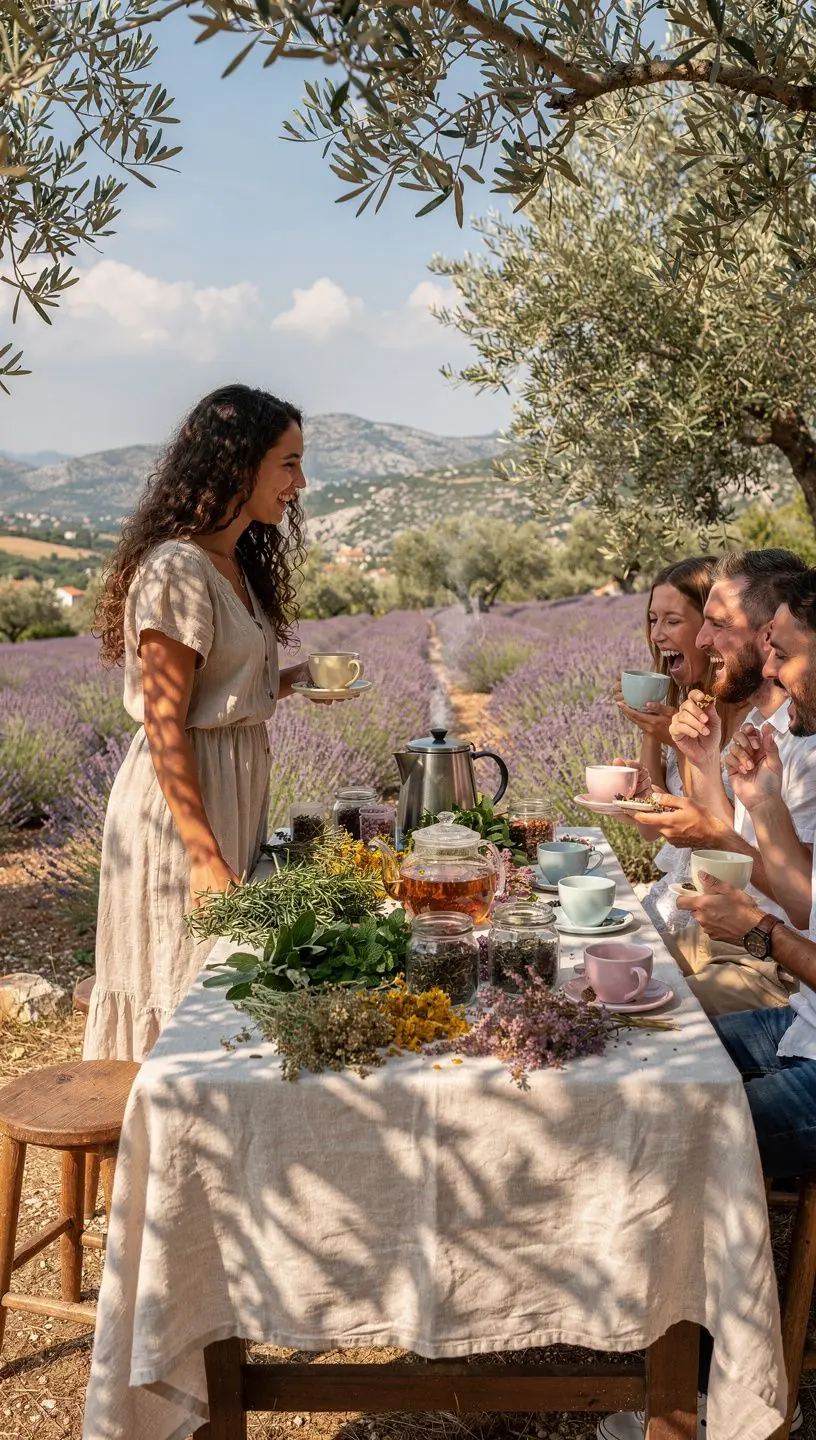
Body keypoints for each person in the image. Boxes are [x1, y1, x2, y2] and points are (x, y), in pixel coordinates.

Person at [84, 384, 316, 1062]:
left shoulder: (232, 563)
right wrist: (203, 854)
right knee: (183, 982)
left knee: (216, 981)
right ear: (239, 464)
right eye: (289, 463)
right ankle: (158, 1145)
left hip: (227, 791)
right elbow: (165, 724)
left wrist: (294, 682)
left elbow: (212, 689)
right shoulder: (178, 570)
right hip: (178, 810)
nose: (300, 483)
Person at [631, 549, 816, 1014]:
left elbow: (802, 905)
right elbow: (725, 839)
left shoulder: (805, 746)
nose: (703, 638)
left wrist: (712, 833)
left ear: (766, 633)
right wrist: (701, 756)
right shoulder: (763, 725)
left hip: (769, 963)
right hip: (737, 941)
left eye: (717, 624)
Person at [613, 556, 747, 956]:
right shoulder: (681, 703)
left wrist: (676, 742)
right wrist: (650, 730)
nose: (657, 635)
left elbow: (707, 827)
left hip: (718, 913)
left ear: (711, 626)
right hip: (674, 897)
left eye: (672, 621)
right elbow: (651, 830)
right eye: (653, 620)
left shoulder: (745, 714)